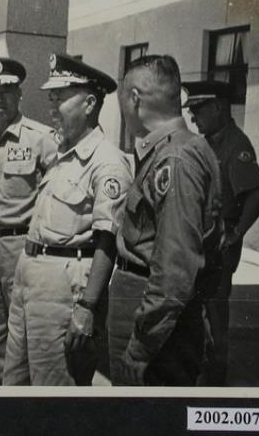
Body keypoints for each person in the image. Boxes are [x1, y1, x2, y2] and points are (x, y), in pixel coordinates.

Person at [3, 53, 133, 386]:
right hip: (30, 278)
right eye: (51, 97)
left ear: (89, 104)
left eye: (60, 97)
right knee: (14, 383)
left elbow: (108, 241)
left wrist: (87, 307)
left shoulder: (107, 162)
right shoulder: (62, 153)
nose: (52, 106)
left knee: (55, 389)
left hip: (64, 290)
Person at [109, 55, 223, 386]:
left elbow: (175, 267)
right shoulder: (179, 149)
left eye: (122, 97)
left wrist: (142, 347)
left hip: (152, 320)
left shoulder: (175, 159)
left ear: (134, 98)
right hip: (156, 312)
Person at [0, 57, 58, 385]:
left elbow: (56, 195)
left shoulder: (41, 138)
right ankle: (6, 394)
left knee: (27, 336)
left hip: (24, 248)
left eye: (6, 90)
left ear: (19, 93)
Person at [182, 80, 259, 386]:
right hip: (200, 242)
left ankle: (215, 381)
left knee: (215, 313)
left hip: (218, 247)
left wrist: (236, 233)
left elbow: (257, 194)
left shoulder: (236, 145)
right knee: (196, 311)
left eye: (198, 109)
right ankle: (198, 372)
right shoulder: (206, 142)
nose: (193, 117)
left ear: (218, 107)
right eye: (191, 110)